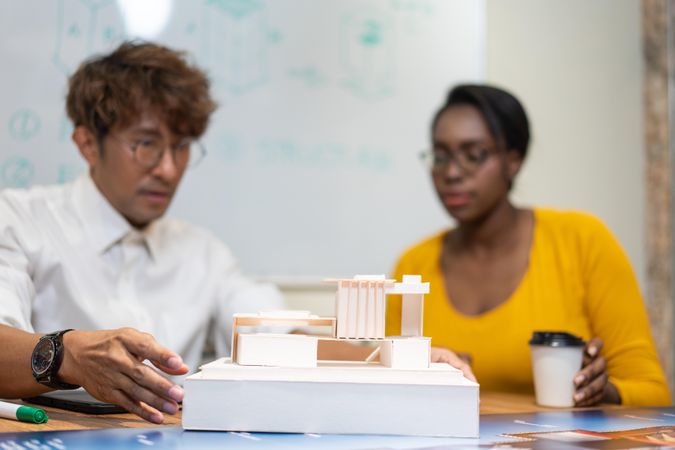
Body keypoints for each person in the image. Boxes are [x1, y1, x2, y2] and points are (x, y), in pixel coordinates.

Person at [0, 41, 283, 423]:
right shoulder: (18, 219)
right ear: (87, 144)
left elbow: (269, 323)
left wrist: (302, 339)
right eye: (146, 143)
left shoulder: (202, 252)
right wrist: (67, 356)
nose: (168, 169)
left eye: (181, 146)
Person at [386, 84, 670, 407]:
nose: (451, 172)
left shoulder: (582, 241)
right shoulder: (412, 267)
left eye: (473, 155)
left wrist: (598, 392)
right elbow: (389, 388)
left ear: (513, 160)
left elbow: (653, 393)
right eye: (440, 156)